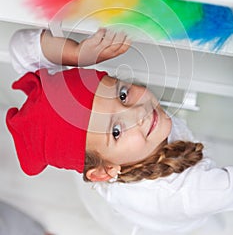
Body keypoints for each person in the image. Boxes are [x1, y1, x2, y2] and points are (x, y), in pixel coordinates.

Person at [6, 27, 233, 234]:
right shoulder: (188, 192)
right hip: (173, 223)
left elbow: (19, 48)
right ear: (104, 171)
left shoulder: (108, 154)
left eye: (122, 95)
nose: (138, 112)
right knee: (210, 226)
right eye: (115, 131)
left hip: (116, 201)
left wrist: (76, 55)